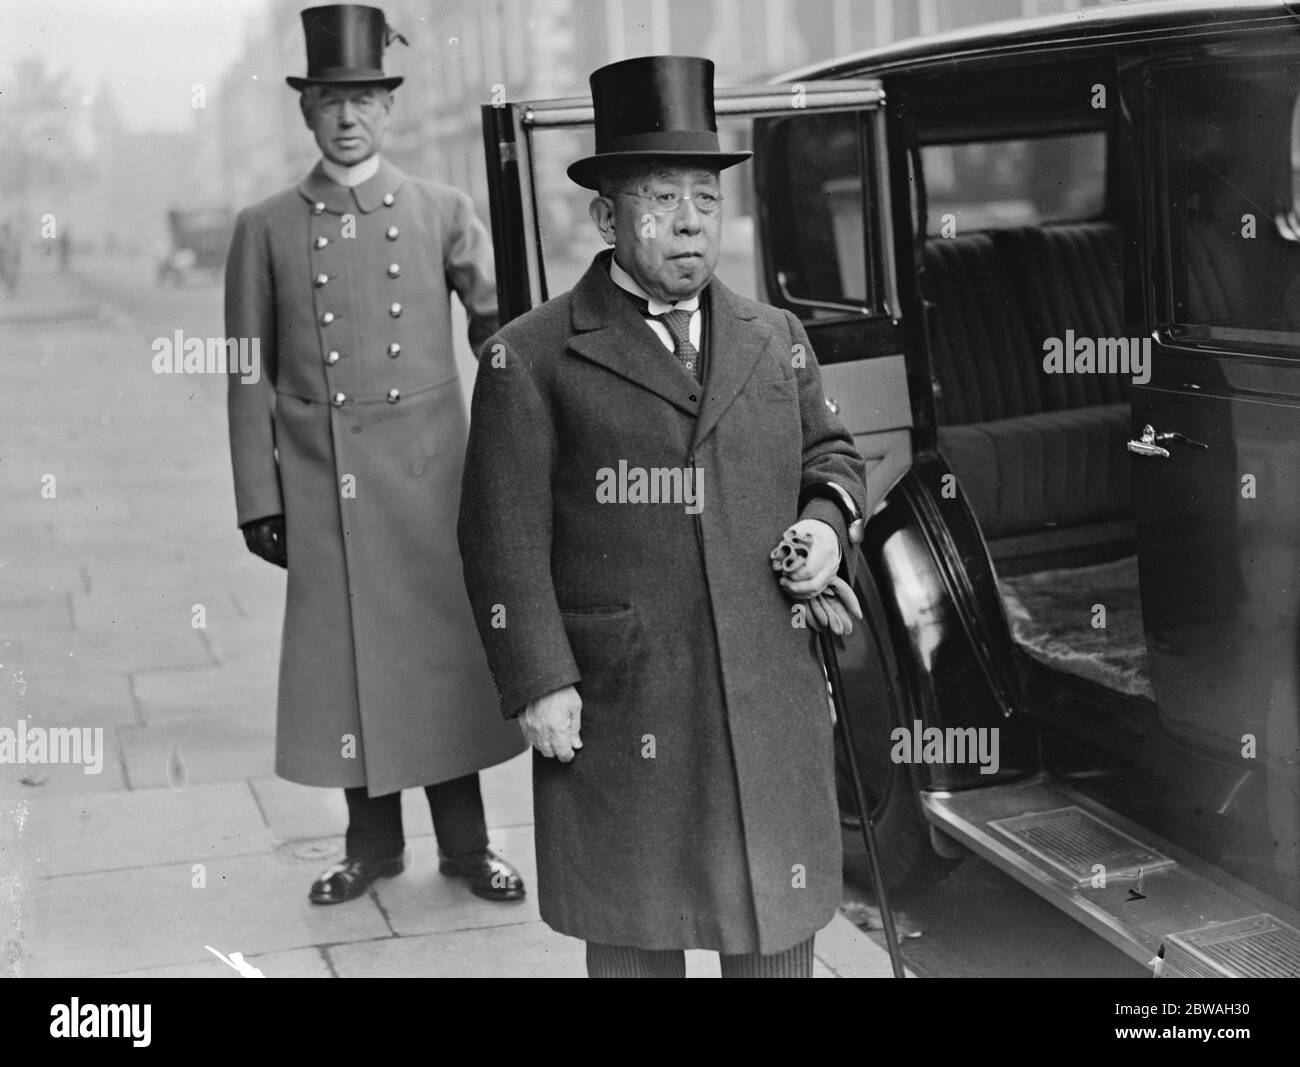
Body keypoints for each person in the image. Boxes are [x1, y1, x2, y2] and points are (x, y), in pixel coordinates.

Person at [458, 55, 869, 977]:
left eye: (703, 198)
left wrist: (823, 527)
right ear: (607, 218)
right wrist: (538, 681)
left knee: (773, 924)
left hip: (765, 687)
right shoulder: (530, 358)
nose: (688, 221)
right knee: (636, 923)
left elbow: (831, 456)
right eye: (659, 198)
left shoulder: (777, 338)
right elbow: (500, 538)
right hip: (624, 696)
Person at [226, 4, 526, 907]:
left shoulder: (441, 208)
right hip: (326, 486)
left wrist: (527, 421)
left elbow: (501, 332)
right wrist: (258, 495)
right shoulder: (267, 225)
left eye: (362, 98)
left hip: (432, 477)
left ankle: (469, 844)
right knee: (350, 664)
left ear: (389, 108)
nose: (347, 116)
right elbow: (246, 372)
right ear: (306, 111)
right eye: (328, 99)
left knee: (444, 661)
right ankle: (372, 844)